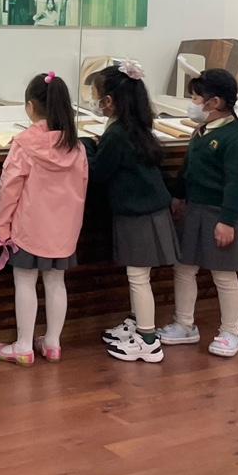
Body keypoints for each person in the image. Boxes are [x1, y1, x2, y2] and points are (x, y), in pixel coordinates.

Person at [0, 72, 89, 365]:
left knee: (25, 281)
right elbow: (81, 188)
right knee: (56, 282)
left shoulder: (24, 145)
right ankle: (53, 343)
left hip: (29, 229)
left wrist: (1, 227)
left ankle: (23, 345)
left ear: (30, 106)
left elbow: (8, 189)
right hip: (64, 232)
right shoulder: (77, 146)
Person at [85, 63, 179, 364]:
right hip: (147, 211)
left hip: (139, 216)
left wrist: (86, 148)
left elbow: (98, 173)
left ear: (109, 101)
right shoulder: (135, 126)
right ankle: (138, 324)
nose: (93, 101)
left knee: (138, 277)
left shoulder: (116, 134)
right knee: (139, 276)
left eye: (95, 95)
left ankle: (148, 340)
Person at [158, 69, 238, 358]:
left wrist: (227, 221)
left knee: (224, 275)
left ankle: (230, 331)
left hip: (220, 213)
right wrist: (179, 195)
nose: (193, 103)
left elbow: (236, 183)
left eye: (196, 98)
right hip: (194, 209)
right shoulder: (201, 130)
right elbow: (187, 168)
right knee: (184, 269)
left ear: (215, 103)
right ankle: (184, 324)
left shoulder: (235, 138)